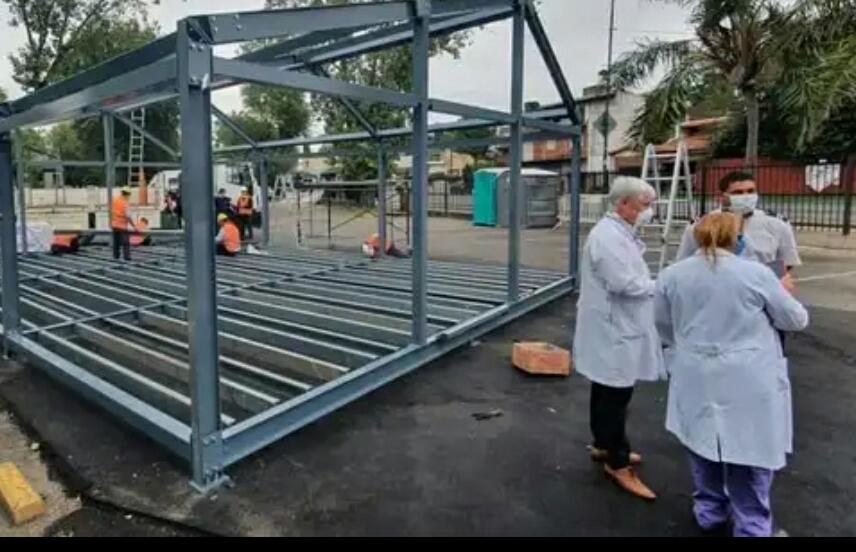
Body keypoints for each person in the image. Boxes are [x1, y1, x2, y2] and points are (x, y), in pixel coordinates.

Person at [654, 212, 809, 537]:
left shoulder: (672, 275)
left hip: (695, 371)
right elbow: (795, 320)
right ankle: (752, 527)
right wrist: (783, 291)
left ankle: (709, 512)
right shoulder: (755, 273)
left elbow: (664, 325)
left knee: (701, 443)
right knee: (749, 452)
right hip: (747, 375)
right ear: (735, 238)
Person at [573, 176, 665, 501]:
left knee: (605, 388)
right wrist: (663, 285)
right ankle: (618, 462)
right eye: (644, 205)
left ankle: (604, 444)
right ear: (623, 204)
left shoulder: (619, 233)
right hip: (613, 327)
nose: (649, 211)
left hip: (614, 325)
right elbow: (624, 284)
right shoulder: (608, 238)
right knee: (615, 394)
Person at [677, 171, 801, 277]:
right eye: (738, 192)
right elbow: (685, 262)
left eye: (750, 191)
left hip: (760, 289)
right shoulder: (701, 225)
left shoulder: (777, 224)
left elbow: (787, 262)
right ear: (722, 196)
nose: (746, 196)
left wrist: (767, 283)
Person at [110, 186, 137, 261]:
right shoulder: (125, 203)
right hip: (122, 226)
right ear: (127, 194)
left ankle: (115, 256)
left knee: (116, 243)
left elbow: (112, 211)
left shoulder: (114, 200)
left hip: (114, 225)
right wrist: (134, 226)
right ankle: (127, 257)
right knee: (125, 242)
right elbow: (128, 216)